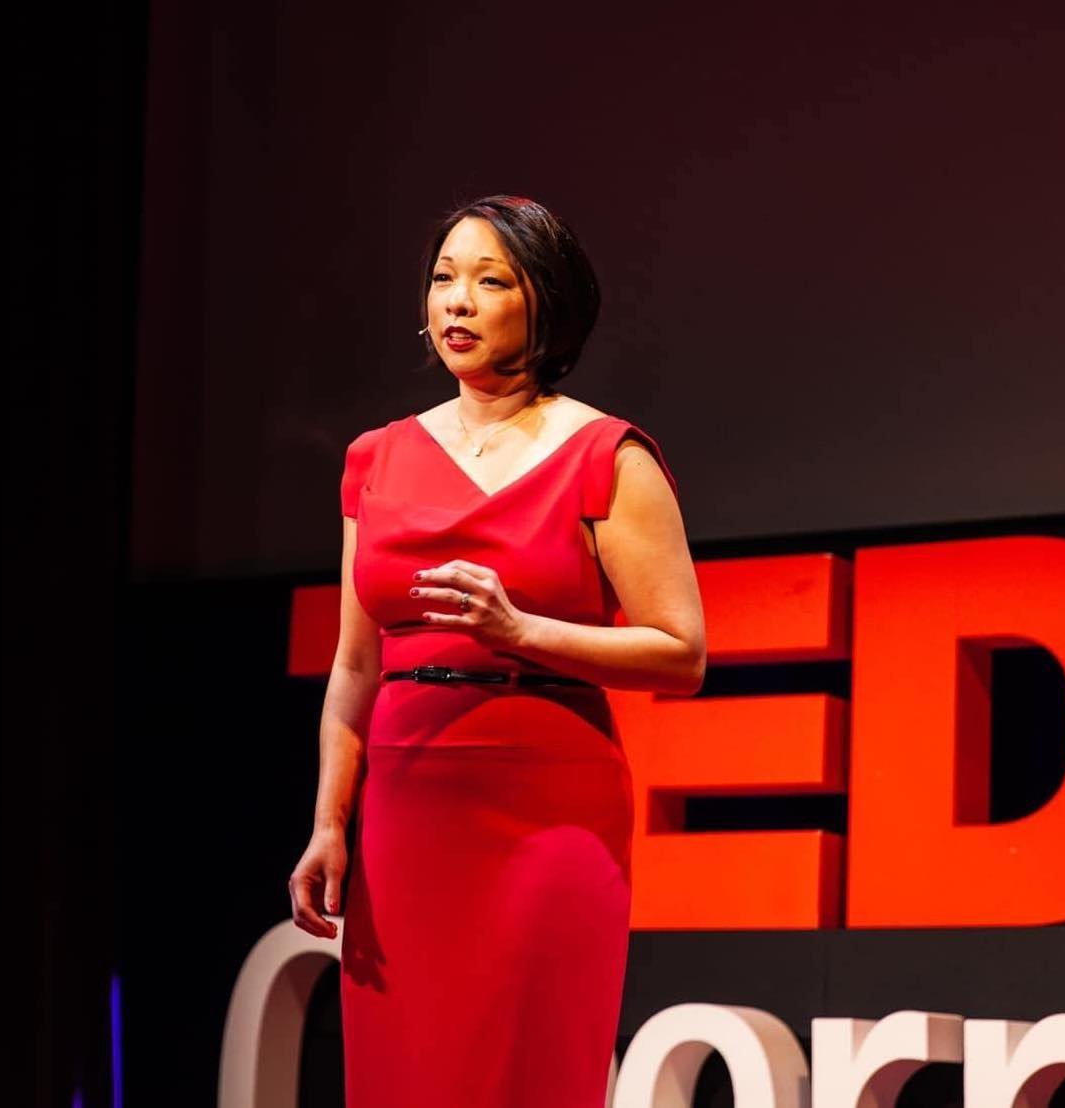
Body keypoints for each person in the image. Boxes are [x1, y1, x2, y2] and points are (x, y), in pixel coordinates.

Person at [288, 194, 705, 1106]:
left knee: (523, 1069)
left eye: (489, 281)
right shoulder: (378, 458)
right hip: (406, 807)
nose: (458, 303)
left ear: (545, 303)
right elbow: (356, 667)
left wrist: (521, 633)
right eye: (443, 280)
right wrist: (330, 821)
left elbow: (682, 651)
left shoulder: (606, 454)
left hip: (545, 804)